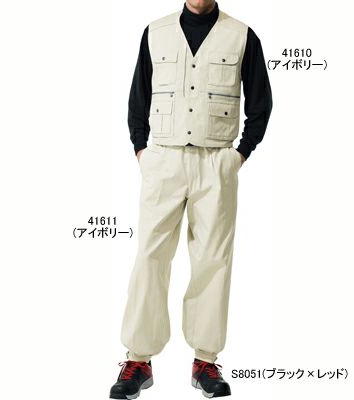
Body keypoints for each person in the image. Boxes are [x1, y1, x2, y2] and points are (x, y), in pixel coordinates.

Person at [109, 1, 272, 398]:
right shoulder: (155, 32)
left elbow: (261, 103)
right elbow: (138, 97)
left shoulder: (242, 36)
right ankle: (138, 359)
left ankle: (205, 361)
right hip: (163, 160)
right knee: (150, 256)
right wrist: (141, 150)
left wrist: (239, 155)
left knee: (213, 260)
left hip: (217, 162)